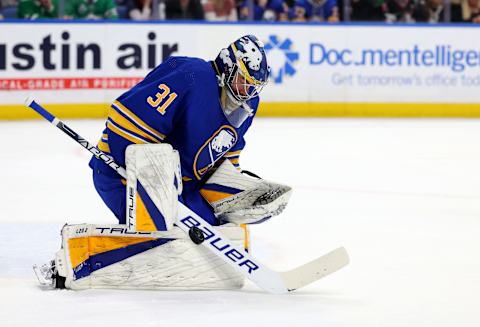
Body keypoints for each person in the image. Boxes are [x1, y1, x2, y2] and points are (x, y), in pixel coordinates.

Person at [90, 35, 276, 228]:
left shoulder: (248, 105)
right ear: (228, 66)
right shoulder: (190, 75)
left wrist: (233, 191)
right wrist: (156, 187)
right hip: (121, 172)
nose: (249, 91)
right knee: (161, 238)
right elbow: (127, 124)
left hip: (182, 186)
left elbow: (226, 156)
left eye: (254, 85)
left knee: (217, 235)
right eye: (243, 80)